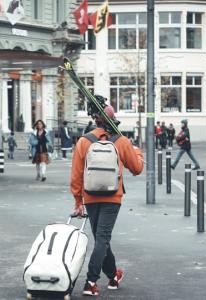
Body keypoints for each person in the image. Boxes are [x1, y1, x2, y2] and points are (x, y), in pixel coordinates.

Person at [71, 104, 144, 297]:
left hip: (90, 196)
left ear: (95, 120)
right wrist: (136, 151)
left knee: (101, 239)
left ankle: (113, 276)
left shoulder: (84, 142)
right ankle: (90, 282)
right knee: (102, 239)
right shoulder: (121, 141)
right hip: (112, 197)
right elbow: (137, 169)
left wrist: (78, 201)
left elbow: (76, 175)